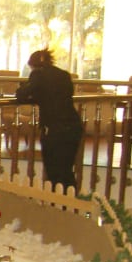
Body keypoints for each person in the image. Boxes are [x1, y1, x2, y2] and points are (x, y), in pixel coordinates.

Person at [15, 48, 83, 191]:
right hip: (73, 125)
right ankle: (71, 200)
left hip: (54, 128)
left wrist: (24, 90)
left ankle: (56, 200)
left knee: (54, 170)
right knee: (66, 169)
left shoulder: (38, 75)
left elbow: (22, 95)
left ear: (33, 65)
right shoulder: (64, 75)